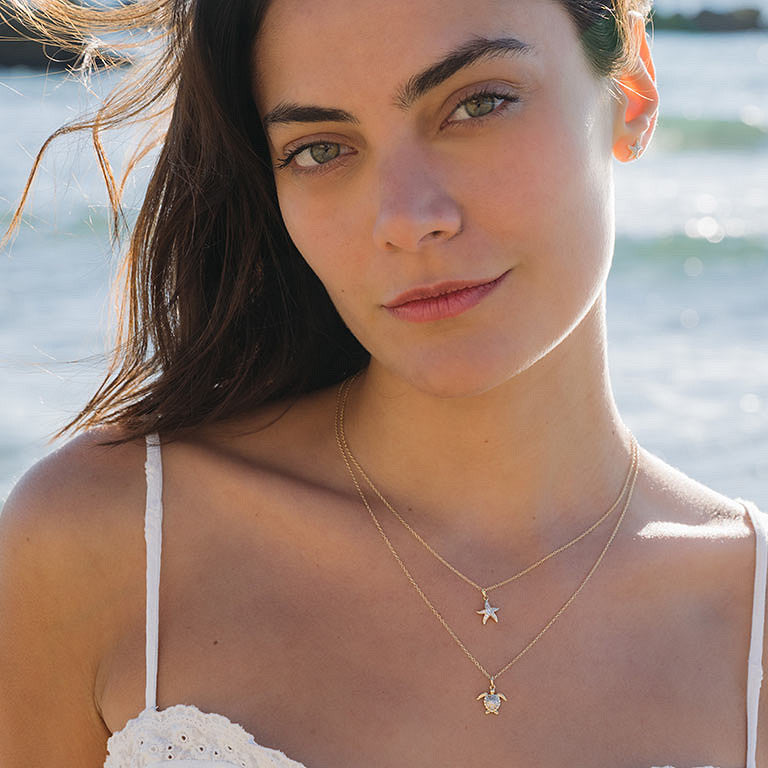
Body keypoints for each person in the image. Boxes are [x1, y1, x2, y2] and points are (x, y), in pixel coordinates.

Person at [0, 0, 764, 766]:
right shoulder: (105, 544)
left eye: (478, 103)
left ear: (630, 90)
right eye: (320, 149)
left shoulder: (750, 619)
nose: (406, 217)